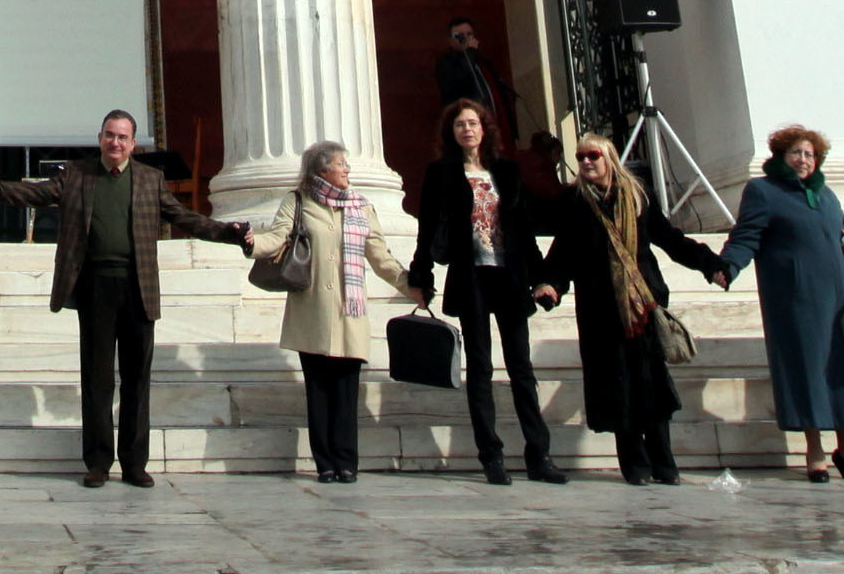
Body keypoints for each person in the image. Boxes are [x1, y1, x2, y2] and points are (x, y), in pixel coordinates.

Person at [0, 108, 250, 488]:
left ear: (133, 144)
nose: (114, 142)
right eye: (108, 135)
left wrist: (228, 232)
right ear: (100, 138)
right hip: (95, 287)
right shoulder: (77, 175)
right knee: (97, 379)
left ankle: (135, 463)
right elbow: (36, 193)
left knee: (137, 380)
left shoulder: (150, 180)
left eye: (122, 137)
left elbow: (184, 217)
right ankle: (98, 462)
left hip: (138, 289)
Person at [545, 127, 724, 483]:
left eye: (592, 156)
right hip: (601, 310)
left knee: (651, 382)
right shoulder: (573, 202)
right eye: (580, 157)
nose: (585, 162)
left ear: (609, 159)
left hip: (643, 305)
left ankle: (665, 462)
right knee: (618, 385)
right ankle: (635, 464)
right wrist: (550, 284)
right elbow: (564, 251)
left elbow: (670, 240)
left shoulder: (638, 195)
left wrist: (710, 264)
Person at [406, 96, 564, 485]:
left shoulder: (507, 172)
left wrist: (542, 277)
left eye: (473, 123)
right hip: (471, 276)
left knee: (521, 368)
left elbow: (524, 231)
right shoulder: (441, 173)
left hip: (508, 276)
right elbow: (427, 228)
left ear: (484, 128)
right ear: (452, 132)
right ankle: (491, 455)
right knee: (480, 367)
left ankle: (538, 454)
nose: (467, 130)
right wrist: (420, 276)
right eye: (460, 124)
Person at [720, 125, 844, 484]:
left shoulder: (827, 196)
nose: (804, 160)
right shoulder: (763, 191)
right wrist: (728, 265)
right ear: (781, 155)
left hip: (841, 297)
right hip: (795, 300)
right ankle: (815, 451)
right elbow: (747, 233)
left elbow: (839, 232)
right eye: (796, 153)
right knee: (808, 370)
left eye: (810, 154)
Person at [256, 139, 424, 482]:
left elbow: (380, 258)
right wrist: (249, 241)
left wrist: (411, 286)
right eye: (341, 164)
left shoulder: (361, 206)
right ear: (322, 169)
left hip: (350, 313)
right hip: (311, 312)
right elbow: (276, 237)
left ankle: (347, 461)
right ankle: (325, 464)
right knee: (317, 391)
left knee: (346, 391)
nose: (347, 169)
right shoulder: (298, 202)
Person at [436, 19, 518, 148]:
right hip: (471, 129)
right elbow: (458, 80)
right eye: (459, 36)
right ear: (450, 41)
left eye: (469, 35)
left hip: (495, 125)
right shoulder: (447, 63)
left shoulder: (483, 63)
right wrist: (470, 53)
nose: (466, 39)